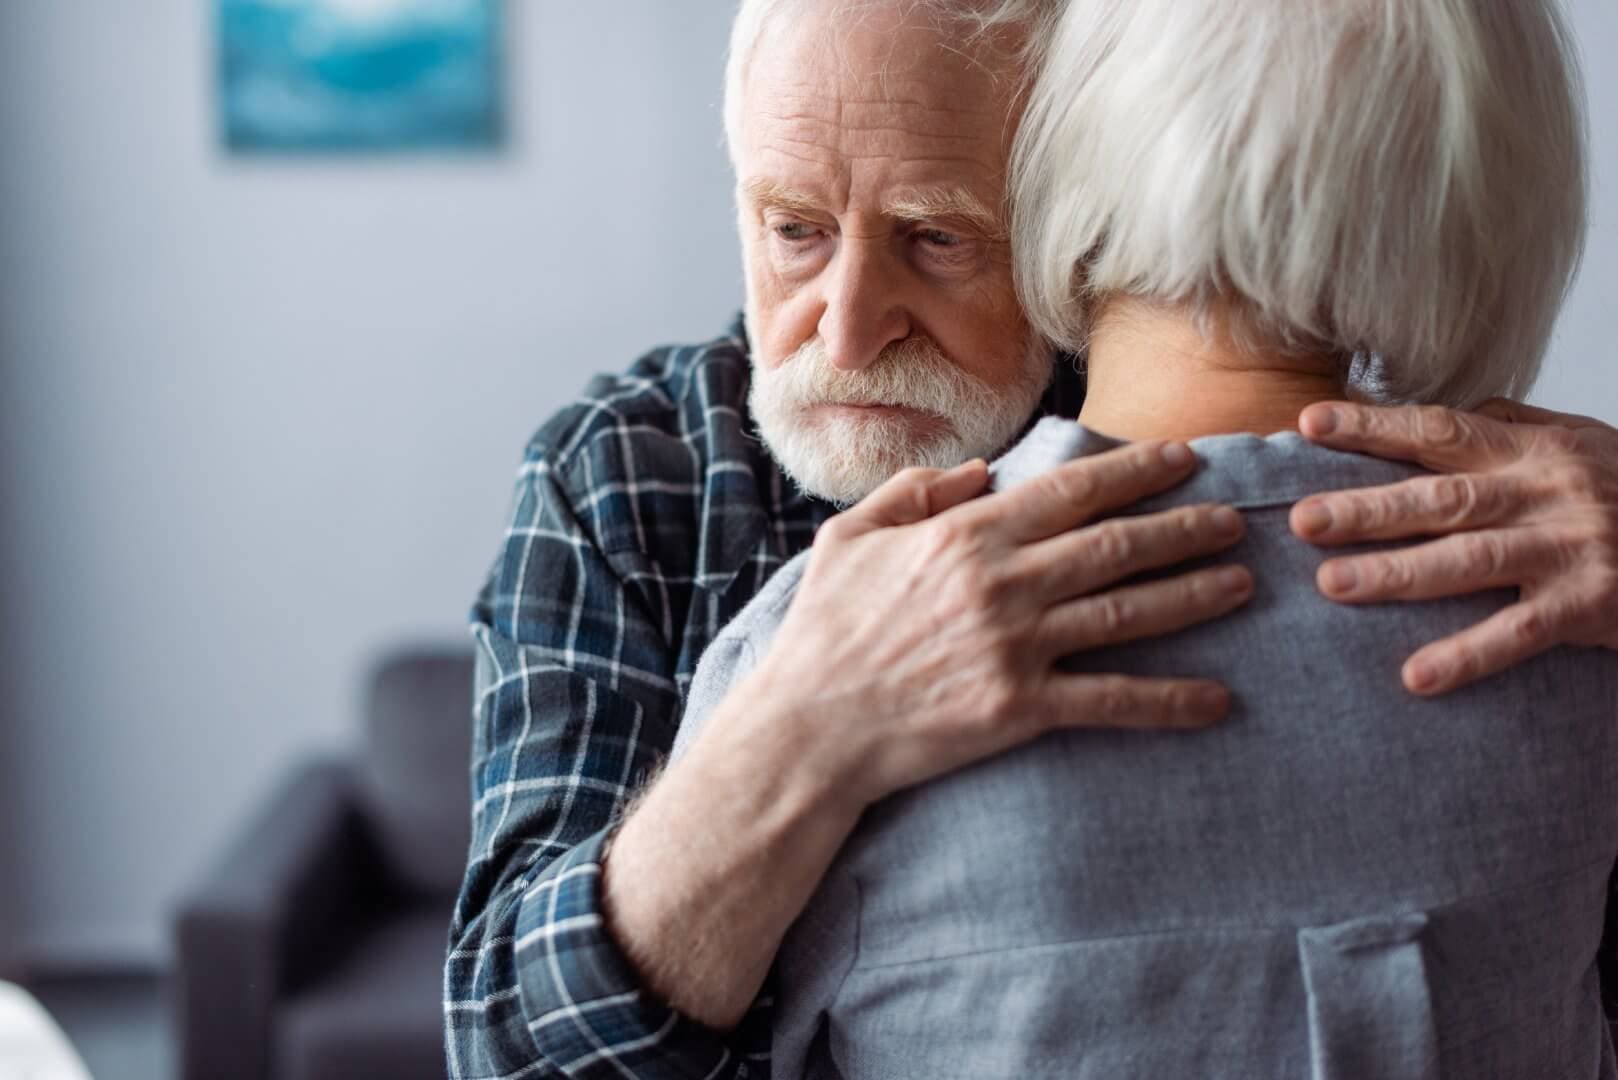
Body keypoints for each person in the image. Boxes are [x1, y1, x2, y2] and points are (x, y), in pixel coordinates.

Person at [443, 1, 1618, 1076]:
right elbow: (507, 1053)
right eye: (793, 229)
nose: (847, 333)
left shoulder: (1370, 468)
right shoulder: (632, 474)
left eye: (937, 238)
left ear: (1080, 199)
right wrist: (798, 736)